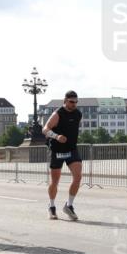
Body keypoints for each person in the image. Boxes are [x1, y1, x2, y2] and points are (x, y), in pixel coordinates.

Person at [43, 90, 83, 220]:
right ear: (65, 101)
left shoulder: (78, 114)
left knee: (78, 177)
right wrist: (56, 136)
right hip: (57, 150)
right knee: (55, 181)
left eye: (76, 102)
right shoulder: (57, 114)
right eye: (71, 102)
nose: (74, 104)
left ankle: (69, 206)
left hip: (71, 149)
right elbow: (45, 129)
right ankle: (51, 206)